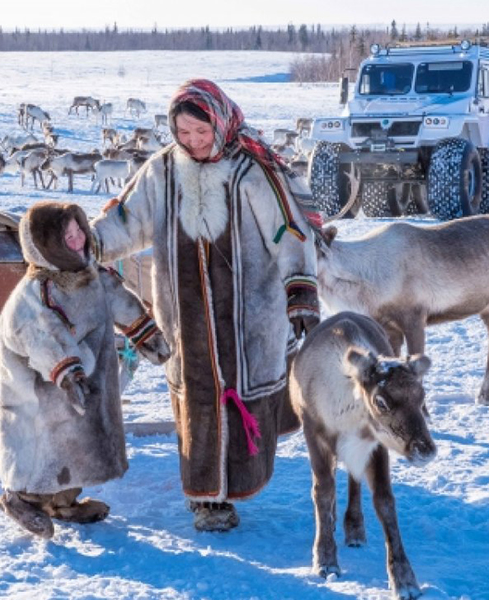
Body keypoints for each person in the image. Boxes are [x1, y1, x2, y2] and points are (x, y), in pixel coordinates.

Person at [90, 79, 321, 532]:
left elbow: (289, 232)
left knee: (239, 400)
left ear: (220, 122)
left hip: (248, 317)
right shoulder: (161, 172)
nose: (193, 142)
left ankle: (236, 486)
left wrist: (299, 290)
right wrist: (85, 244)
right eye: (183, 132)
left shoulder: (251, 171)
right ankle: (207, 501)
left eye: (201, 131)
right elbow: (125, 222)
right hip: (184, 317)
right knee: (197, 401)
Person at [0, 201, 171, 539]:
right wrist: (68, 373)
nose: (76, 241)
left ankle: (62, 502)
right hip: (41, 386)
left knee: (78, 440)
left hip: (85, 380)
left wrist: (146, 335)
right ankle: (19, 497)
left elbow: (119, 299)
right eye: (66, 237)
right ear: (45, 245)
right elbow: (43, 336)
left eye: (79, 232)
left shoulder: (90, 274)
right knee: (42, 441)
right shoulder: (37, 292)